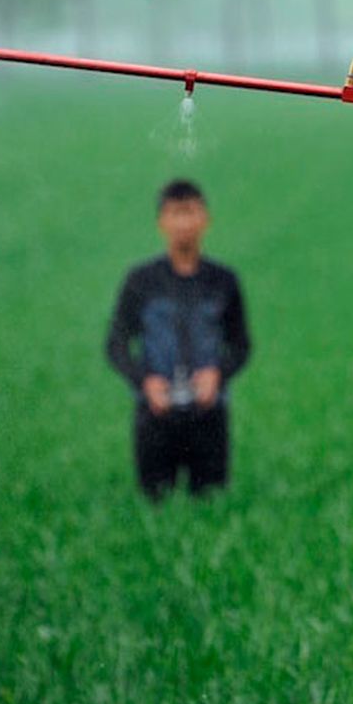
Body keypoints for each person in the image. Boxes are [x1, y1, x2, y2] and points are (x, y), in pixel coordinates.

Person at [105, 179, 251, 499]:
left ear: (206, 220)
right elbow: (115, 345)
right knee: (154, 512)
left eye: (191, 212)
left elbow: (241, 346)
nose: (183, 223)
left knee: (211, 508)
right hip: (155, 414)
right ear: (162, 222)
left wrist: (218, 374)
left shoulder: (223, 281)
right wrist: (145, 381)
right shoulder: (141, 281)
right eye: (175, 213)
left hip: (208, 413)